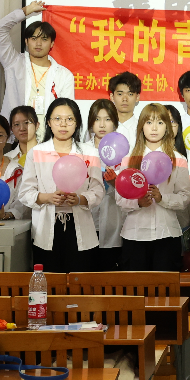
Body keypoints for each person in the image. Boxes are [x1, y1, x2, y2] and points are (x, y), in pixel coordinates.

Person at [18, 98, 105, 273]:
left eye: (69, 119)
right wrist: (48, 198)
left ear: (77, 122)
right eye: (57, 119)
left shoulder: (90, 153)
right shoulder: (36, 153)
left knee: (79, 281)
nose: (63, 124)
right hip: (45, 229)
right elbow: (25, 192)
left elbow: (98, 190)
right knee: (49, 281)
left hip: (80, 228)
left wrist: (80, 199)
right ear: (49, 122)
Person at [116, 104, 190, 271]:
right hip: (134, 235)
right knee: (136, 286)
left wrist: (162, 198)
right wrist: (138, 202)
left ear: (167, 127)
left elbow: (185, 197)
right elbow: (120, 198)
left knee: (165, 286)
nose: (154, 128)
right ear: (141, 126)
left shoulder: (178, 159)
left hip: (167, 235)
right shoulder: (129, 159)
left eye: (160, 122)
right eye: (149, 122)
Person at [0, 1, 75, 140]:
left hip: (48, 140)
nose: (38, 43)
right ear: (26, 41)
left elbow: (67, 112)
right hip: (15, 138)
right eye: (34, 38)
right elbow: (0, 29)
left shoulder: (64, 75)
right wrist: (27, 10)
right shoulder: (14, 62)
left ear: (52, 43)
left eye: (44, 39)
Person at [86, 99, 124, 270]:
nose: (102, 125)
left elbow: (130, 194)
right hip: (87, 222)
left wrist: (115, 183)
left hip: (113, 223)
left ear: (115, 122)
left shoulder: (124, 153)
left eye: (107, 119)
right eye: (97, 119)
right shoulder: (81, 151)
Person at [109, 72, 142, 143]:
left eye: (130, 94)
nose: (124, 99)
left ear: (137, 97)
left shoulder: (143, 129)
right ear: (112, 97)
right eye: (120, 94)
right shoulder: (102, 127)